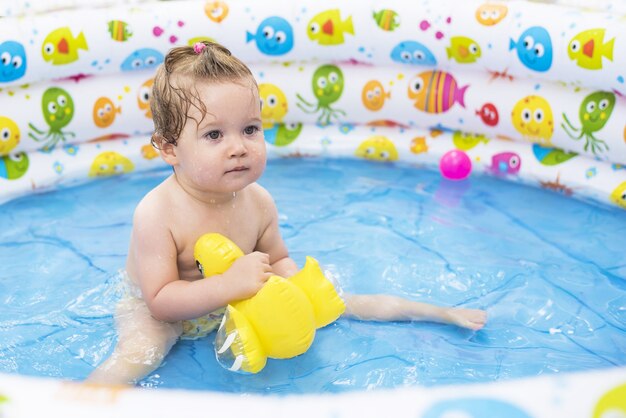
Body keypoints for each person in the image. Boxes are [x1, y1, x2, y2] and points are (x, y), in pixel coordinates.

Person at [87, 41, 487, 385]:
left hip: (237, 297)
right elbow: (159, 299)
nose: (239, 147)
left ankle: (436, 312)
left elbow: (277, 259)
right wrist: (228, 287)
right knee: (142, 352)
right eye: (214, 134)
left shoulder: (258, 201)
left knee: (336, 302)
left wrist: (296, 291)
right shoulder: (157, 212)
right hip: (162, 312)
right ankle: (79, 400)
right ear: (169, 148)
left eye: (250, 129)